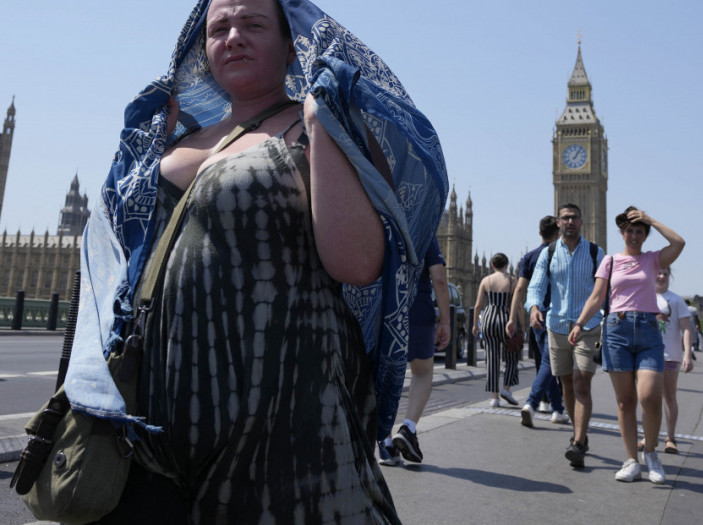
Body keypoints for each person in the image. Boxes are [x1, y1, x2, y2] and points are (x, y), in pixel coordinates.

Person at [65, 1, 448, 522]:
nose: (234, 36)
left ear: (292, 43)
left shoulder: (318, 126)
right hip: (155, 428)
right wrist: (142, 152)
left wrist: (321, 120)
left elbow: (358, 262)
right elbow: (116, 260)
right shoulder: (174, 139)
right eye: (219, 27)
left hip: (283, 425)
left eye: (253, 23)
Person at [570, 206, 684, 483]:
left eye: (639, 232)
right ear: (622, 233)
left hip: (647, 330)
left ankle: (652, 453)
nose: (634, 236)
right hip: (616, 330)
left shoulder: (653, 259)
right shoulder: (609, 261)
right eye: (629, 231)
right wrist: (580, 323)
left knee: (649, 397)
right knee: (625, 401)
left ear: (645, 235)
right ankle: (632, 459)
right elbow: (597, 297)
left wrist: (651, 219)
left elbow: (679, 242)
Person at [526, 203, 605, 468]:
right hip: (557, 325)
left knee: (582, 381)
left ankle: (579, 442)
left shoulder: (595, 252)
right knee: (567, 384)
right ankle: (577, 433)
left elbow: (604, 288)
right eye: (565, 218)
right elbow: (536, 285)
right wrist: (534, 307)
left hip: (589, 326)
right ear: (558, 223)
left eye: (574, 218)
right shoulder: (549, 253)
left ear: (582, 222)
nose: (570, 222)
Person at [380, 238, 450, 466]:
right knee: (421, 372)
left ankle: (386, 443)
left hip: (383, 305)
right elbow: (439, 279)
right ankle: (408, 427)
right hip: (417, 308)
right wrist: (446, 321)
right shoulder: (425, 226)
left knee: (384, 375)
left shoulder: (380, 221)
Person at [507, 216, 569, 427]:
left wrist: (512, 317)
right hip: (559, 315)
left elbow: (519, 289)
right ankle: (532, 403)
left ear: (539, 233)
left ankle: (558, 409)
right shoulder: (564, 254)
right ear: (557, 234)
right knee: (549, 362)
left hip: (536, 315)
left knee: (547, 360)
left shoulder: (530, 257)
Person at [649, 267, 693, 454]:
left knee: (668, 396)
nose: (661, 276)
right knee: (648, 397)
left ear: (669, 277)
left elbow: (686, 329)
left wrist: (687, 354)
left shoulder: (676, 300)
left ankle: (670, 437)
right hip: (647, 353)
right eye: (658, 272)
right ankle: (649, 436)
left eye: (665, 273)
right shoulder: (643, 296)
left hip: (670, 354)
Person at [474, 253, 519, 407]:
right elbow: (518, 306)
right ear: (506, 265)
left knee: (492, 358)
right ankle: (506, 388)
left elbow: (478, 305)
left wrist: (475, 325)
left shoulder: (485, 281)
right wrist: (522, 326)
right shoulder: (513, 281)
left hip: (488, 319)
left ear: (492, 265)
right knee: (512, 356)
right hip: (506, 320)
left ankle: (494, 398)